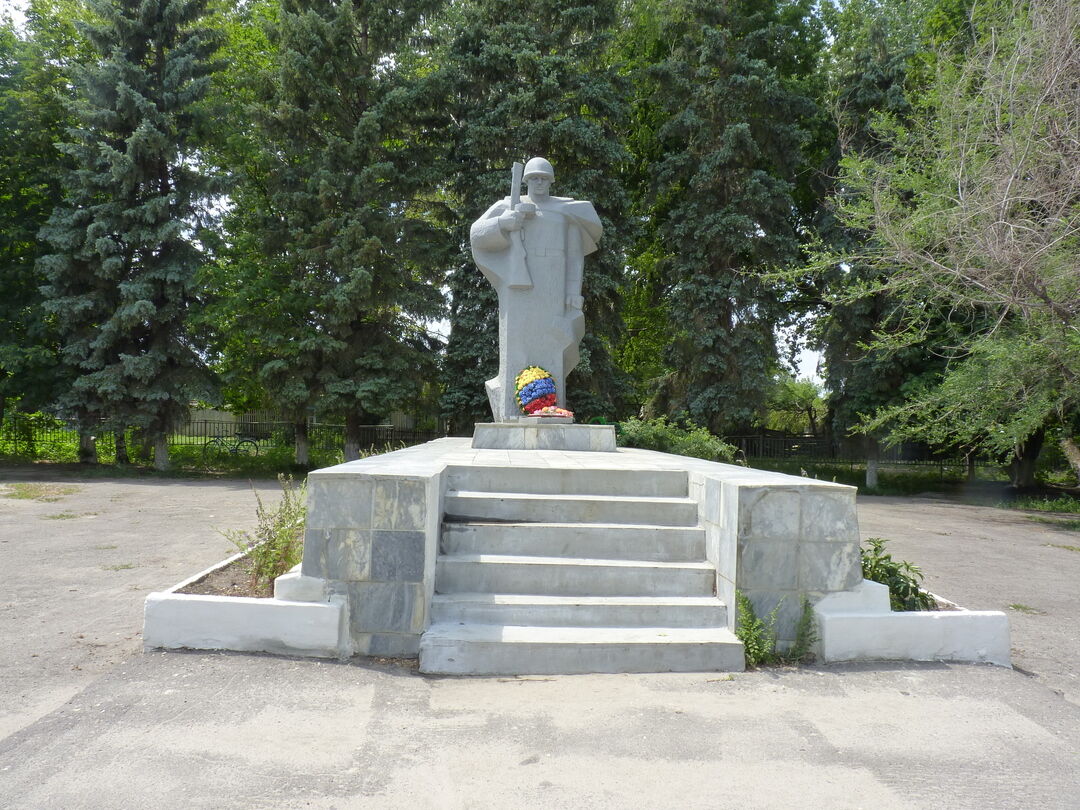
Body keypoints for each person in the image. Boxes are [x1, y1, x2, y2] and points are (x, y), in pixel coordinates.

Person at [470, 157, 603, 422]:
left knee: (554, 341)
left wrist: (573, 293)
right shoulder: (509, 206)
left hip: (553, 282)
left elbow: (575, 256)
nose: (539, 182)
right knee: (517, 342)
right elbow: (476, 233)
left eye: (544, 178)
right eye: (534, 178)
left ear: (551, 181)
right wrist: (504, 223)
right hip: (519, 282)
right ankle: (512, 410)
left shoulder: (567, 211)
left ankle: (550, 405)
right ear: (526, 181)